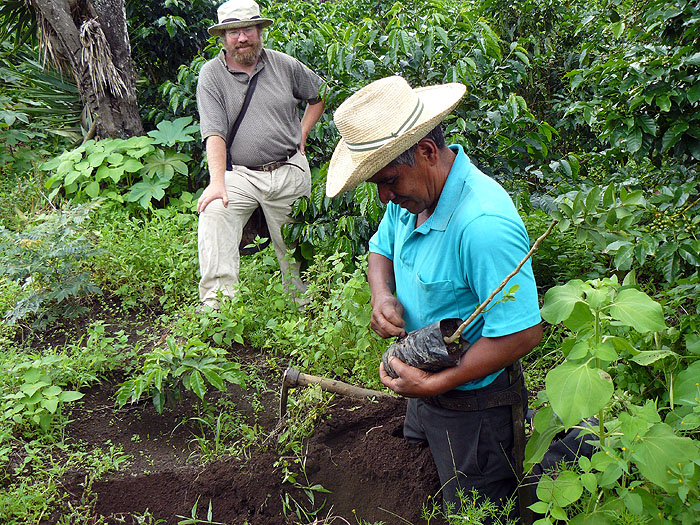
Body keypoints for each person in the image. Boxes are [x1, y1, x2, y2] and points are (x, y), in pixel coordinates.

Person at [325, 76, 543, 517]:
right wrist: (381, 295)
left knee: (476, 506)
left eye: (389, 181)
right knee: (421, 481)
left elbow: (522, 333)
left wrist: (436, 383)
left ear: (426, 151)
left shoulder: (482, 226)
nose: (385, 197)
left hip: (476, 407)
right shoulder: (411, 198)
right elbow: (380, 249)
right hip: (423, 380)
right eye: (377, 186)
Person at [196, 0, 325, 308]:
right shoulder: (212, 75)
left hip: (289, 169)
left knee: (294, 246)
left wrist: (302, 134)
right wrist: (217, 183)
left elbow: (318, 96)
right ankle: (218, 307)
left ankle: (302, 308)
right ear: (223, 38)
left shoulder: (284, 64)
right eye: (234, 32)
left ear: (259, 31)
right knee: (214, 212)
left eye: (249, 30)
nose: (242, 38)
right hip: (240, 174)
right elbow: (214, 132)